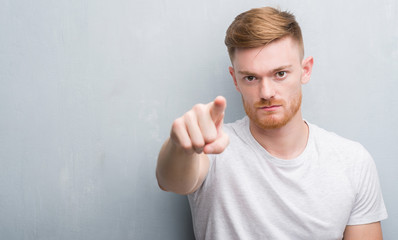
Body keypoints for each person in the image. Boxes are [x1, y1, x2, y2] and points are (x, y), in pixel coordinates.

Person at [156, 6, 388, 240]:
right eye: (250, 77)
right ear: (235, 80)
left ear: (305, 70)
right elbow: (171, 181)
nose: (266, 92)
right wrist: (179, 146)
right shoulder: (214, 149)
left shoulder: (352, 162)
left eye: (280, 74)